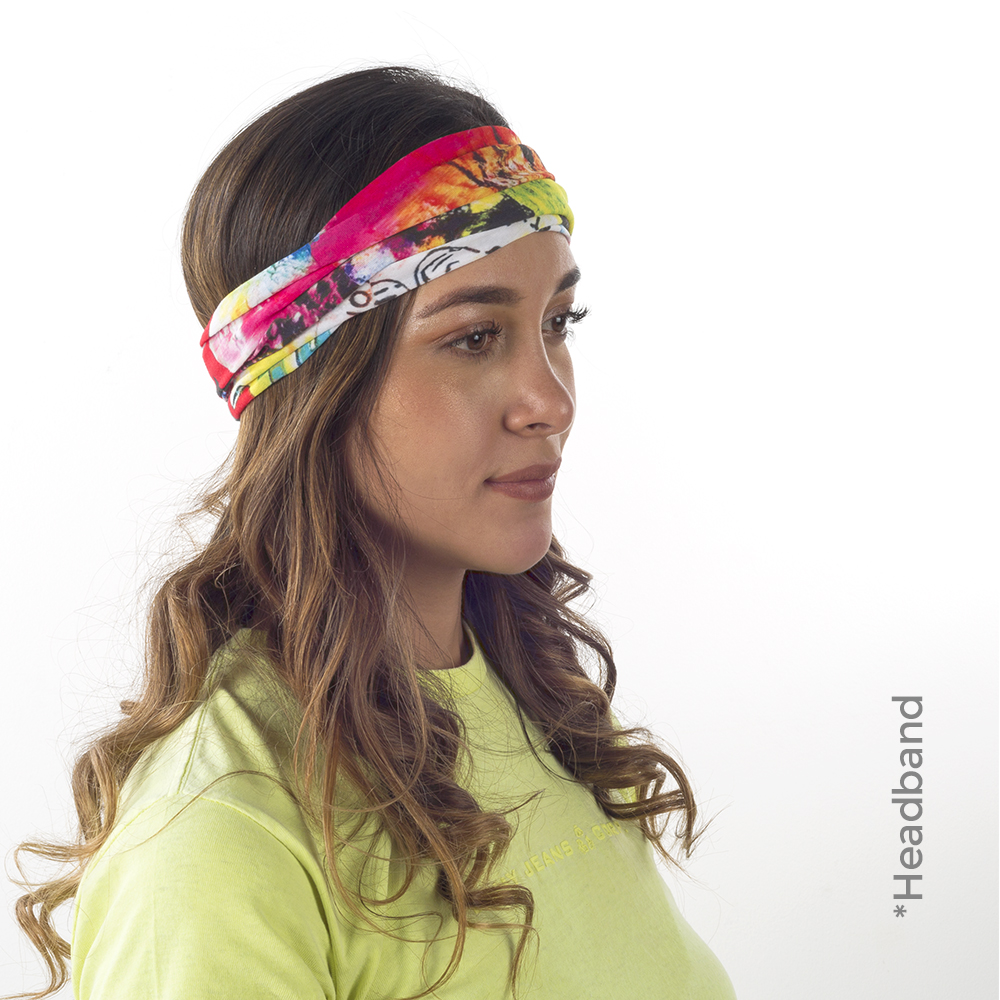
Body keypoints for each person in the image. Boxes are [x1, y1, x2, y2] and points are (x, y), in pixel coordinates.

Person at [12, 66, 736, 999]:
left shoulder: (542, 701)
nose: (551, 401)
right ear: (312, 379)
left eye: (560, 321)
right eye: (474, 337)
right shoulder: (222, 835)